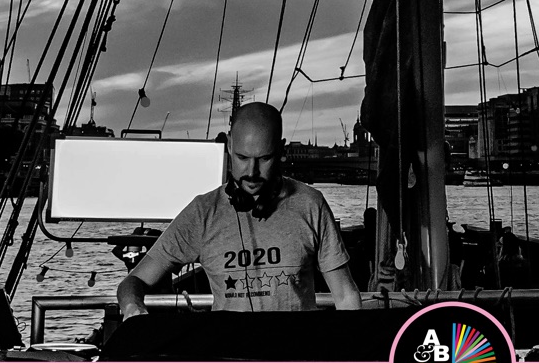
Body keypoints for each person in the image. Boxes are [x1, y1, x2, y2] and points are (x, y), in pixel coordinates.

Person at [117, 101, 362, 319]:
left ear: (281, 150)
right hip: (229, 352)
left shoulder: (310, 204)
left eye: (264, 158)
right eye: (242, 157)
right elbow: (133, 281)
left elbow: (345, 295)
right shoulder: (202, 212)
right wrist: (132, 307)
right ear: (229, 146)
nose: (252, 172)